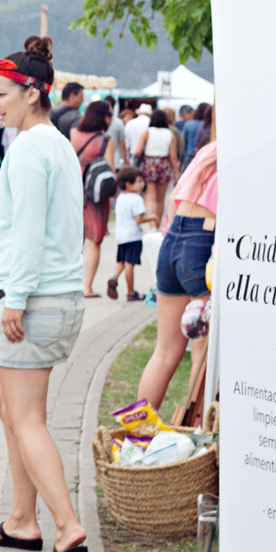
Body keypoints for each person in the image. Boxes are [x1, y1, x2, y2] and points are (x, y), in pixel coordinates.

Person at [0, 36, 89, 552]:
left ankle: (66, 527)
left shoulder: (26, 150)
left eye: (0, 94)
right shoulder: (60, 144)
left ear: (31, 93)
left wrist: (12, 300)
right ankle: (22, 519)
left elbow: (27, 236)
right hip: (61, 299)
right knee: (10, 410)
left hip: (33, 301)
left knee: (26, 418)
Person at [137, 120, 219, 412]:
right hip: (202, 245)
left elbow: (172, 202)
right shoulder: (244, 154)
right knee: (203, 357)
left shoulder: (210, 151)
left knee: (164, 352)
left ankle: (137, 436)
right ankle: (196, 440)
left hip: (172, 240)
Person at [71, 100, 113, 298]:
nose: (111, 119)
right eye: (109, 115)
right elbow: (110, 171)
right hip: (95, 195)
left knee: (74, 240)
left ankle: (70, 283)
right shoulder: (105, 140)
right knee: (93, 241)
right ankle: (87, 287)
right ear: (103, 117)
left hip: (73, 191)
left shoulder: (74, 135)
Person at [138, 103, 183, 223]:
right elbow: (173, 157)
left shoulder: (147, 133)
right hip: (164, 165)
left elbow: (137, 151)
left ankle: (152, 224)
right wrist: (176, 173)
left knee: (150, 196)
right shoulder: (170, 135)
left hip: (150, 164)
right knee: (161, 198)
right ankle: (158, 223)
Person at [110, 166, 147, 301]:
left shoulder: (120, 198)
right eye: (138, 181)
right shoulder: (136, 199)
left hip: (121, 236)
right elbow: (139, 219)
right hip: (133, 236)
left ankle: (114, 278)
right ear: (128, 184)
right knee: (130, 264)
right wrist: (153, 217)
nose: (142, 184)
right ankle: (131, 292)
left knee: (121, 261)